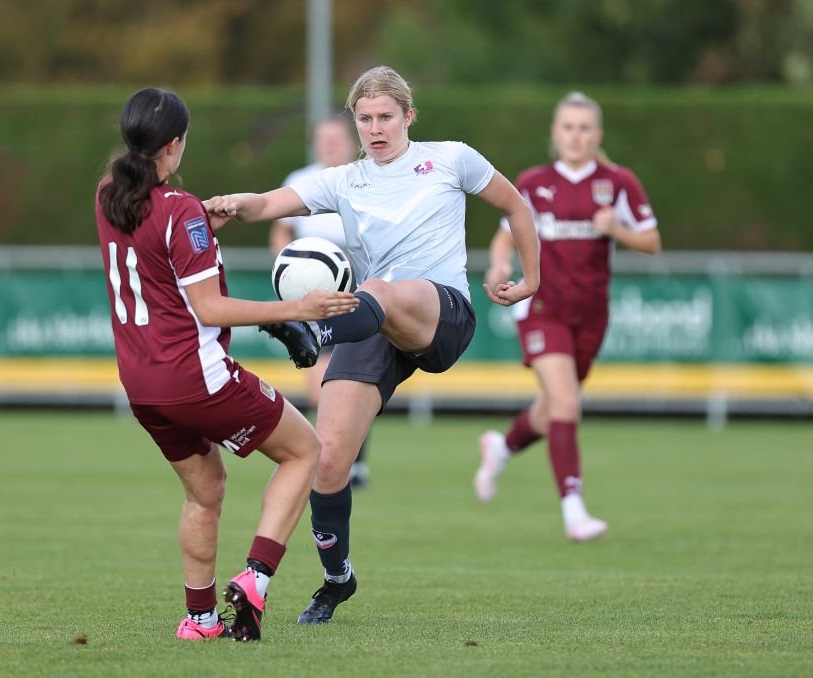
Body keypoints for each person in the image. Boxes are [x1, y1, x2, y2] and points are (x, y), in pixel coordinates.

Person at [203, 65, 540, 625]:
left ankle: (314, 331)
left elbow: (516, 206)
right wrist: (232, 204)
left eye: (386, 117)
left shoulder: (452, 158)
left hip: (440, 312)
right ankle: (335, 579)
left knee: (375, 289)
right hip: (371, 323)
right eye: (365, 119)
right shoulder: (344, 180)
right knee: (327, 458)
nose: (376, 128)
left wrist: (532, 278)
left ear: (409, 116)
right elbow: (268, 203)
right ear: (354, 122)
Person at [94, 88, 358, 642]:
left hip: (141, 385)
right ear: (175, 143)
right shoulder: (179, 210)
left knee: (205, 490)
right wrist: (297, 309)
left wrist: (200, 227)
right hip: (195, 376)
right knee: (305, 450)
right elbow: (209, 307)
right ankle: (256, 578)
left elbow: (155, 250)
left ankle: (201, 619)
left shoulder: (108, 194)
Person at [473, 91, 662, 542]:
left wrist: (616, 229)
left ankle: (501, 446)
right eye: (567, 127)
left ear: (597, 135)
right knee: (567, 405)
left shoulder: (617, 182)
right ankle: (573, 509)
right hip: (542, 308)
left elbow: (652, 241)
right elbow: (506, 235)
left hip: (591, 313)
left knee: (557, 407)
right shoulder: (534, 182)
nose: (576, 136)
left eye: (584, 128)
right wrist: (499, 264)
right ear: (554, 134)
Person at [269, 117, 371, 489]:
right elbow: (281, 229)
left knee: (358, 372)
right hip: (314, 288)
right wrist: (287, 274)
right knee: (323, 376)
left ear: (349, 142)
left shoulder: (366, 176)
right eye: (323, 139)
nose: (329, 145)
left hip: (360, 285)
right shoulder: (301, 179)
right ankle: (326, 453)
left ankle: (354, 460)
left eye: (336, 139)